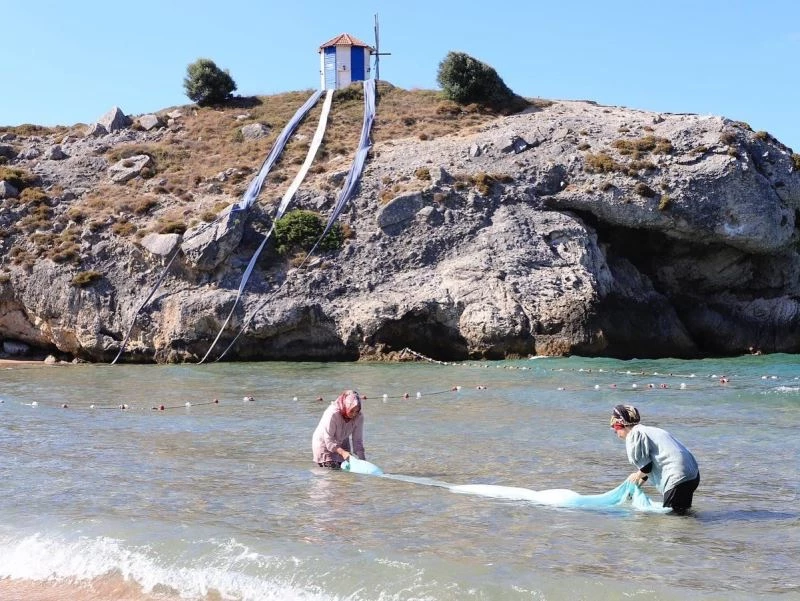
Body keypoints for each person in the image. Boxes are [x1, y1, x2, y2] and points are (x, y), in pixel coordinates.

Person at [610, 404, 700, 514]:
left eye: (615, 428)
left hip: (677, 477)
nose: (615, 432)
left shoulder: (633, 435)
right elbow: (649, 467)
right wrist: (636, 485)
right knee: (683, 514)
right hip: (692, 474)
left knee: (672, 521)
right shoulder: (650, 430)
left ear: (622, 424)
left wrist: (635, 476)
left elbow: (646, 468)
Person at [312, 390, 366, 469]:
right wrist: (343, 453)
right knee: (329, 472)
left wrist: (363, 461)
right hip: (324, 442)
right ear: (346, 406)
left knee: (345, 473)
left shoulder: (359, 416)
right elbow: (329, 440)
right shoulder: (332, 414)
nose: (354, 414)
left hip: (342, 440)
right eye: (351, 411)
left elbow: (357, 441)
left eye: (357, 411)